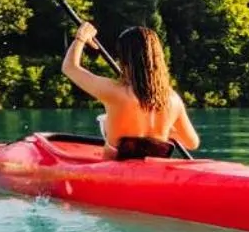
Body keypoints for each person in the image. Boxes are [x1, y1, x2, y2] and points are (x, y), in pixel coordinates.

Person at [61, 21, 200, 157]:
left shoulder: (114, 92)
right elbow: (192, 143)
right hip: (153, 169)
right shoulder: (173, 100)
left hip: (115, 168)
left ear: (125, 59)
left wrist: (81, 38)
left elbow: (69, 67)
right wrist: (166, 132)